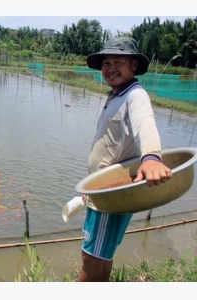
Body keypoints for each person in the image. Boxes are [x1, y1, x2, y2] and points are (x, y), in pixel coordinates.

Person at [78, 37, 173, 282]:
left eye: (118, 62)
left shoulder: (136, 96)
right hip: (104, 189)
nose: (110, 67)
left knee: (90, 257)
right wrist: (91, 186)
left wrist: (151, 157)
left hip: (111, 195)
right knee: (103, 254)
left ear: (133, 65)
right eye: (106, 62)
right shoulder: (117, 95)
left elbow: (145, 123)